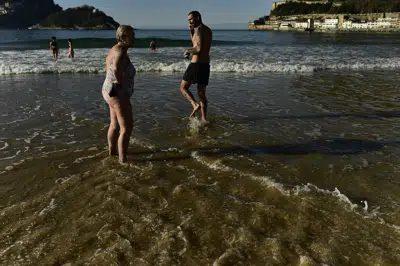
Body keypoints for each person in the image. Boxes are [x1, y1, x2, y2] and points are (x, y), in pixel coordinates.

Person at [102, 25, 136, 164]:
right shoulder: (121, 51)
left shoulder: (114, 49)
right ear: (122, 37)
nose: (134, 37)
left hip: (108, 91)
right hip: (117, 93)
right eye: (131, 35)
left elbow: (109, 68)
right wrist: (120, 83)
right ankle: (123, 161)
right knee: (126, 128)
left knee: (114, 125)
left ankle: (112, 153)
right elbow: (115, 68)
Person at [179, 11, 212, 121]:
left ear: (197, 17)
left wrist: (187, 51)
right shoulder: (207, 30)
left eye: (191, 19)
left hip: (196, 64)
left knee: (183, 87)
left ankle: (194, 104)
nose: (189, 21)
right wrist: (191, 31)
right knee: (201, 93)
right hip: (205, 65)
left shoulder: (199, 29)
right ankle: (204, 119)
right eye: (188, 20)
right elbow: (196, 42)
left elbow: (197, 48)